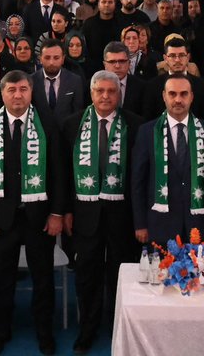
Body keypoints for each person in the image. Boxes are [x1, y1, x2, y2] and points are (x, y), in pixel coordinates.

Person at [0, 70, 66, 356]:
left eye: (23, 89)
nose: (17, 95)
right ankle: (1, 332)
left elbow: (59, 174)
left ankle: (44, 332)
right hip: (2, 218)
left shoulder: (48, 124)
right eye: (11, 89)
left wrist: (57, 213)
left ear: (31, 91)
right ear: (2, 93)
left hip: (39, 217)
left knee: (42, 277)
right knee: (2, 277)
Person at [60, 71, 143, 354]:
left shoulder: (134, 124)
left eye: (111, 91)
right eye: (100, 91)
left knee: (121, 274)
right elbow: (64, 175)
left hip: (122, 215)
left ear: (119, 94)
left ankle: (119, 326)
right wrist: (66, 211)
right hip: (85, 214)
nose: (106, 96)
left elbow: (139, 175)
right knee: (87, 275)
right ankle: (88, 328)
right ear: (91, 93)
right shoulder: (72, 125)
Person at [131, 75, 204, 246]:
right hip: (160, 224)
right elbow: (138, 181)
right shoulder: (147, 132)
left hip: (199, 224)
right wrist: (140, 224)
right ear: (164, 96)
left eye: (184, 94)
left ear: (192, 96)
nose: (178, 100)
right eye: (172, 94)